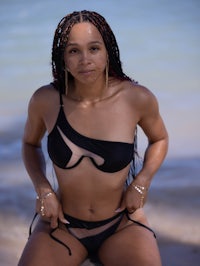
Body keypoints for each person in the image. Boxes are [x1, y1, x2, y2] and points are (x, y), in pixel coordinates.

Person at [18, 10, 168, 266]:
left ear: (107, 51)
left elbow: (160, 139)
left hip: (122, 224)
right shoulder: (45, 100)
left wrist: (141, 182)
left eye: (94, 48)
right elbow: (30, 144)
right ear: (62, 58)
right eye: (74, 51)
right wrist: (43, 190)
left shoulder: (136, 98)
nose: (85, 60)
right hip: (61, 226)